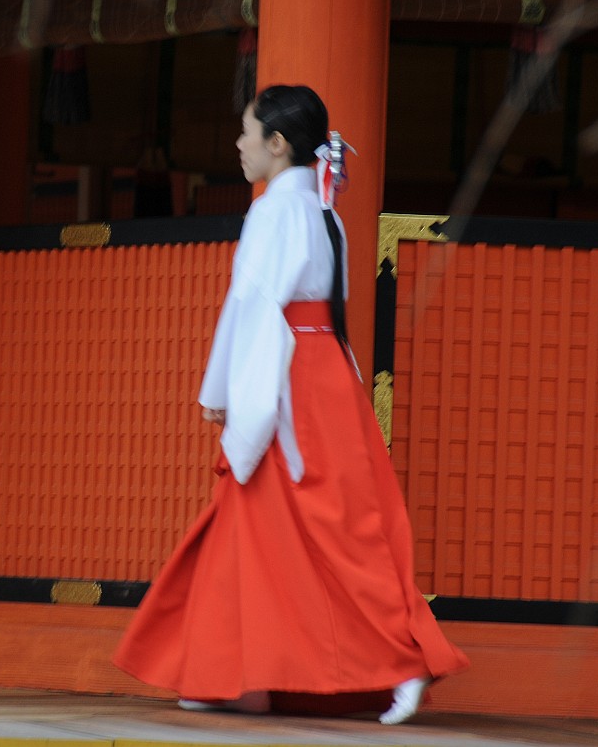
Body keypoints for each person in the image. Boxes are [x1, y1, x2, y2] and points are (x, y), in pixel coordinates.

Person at [112, 84, 469, 725]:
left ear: (278, 144)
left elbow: (250, 308)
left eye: (248, 134)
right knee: (274, 525)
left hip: (290, 380)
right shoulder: (323, 212)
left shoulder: (275, 212)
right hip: (320, 370)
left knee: (324, 531)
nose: (240, 147)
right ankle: (234, 676)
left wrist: (220, 393)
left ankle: (403, 660)